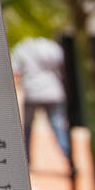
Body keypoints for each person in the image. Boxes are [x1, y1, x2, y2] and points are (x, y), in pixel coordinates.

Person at [12, 35, 72, 165]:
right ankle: (68, 157)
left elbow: (16, 72)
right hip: (54, 92)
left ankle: (26, 160)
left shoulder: (22, 48)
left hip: (32, 93)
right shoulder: (52, 47)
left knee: (27, 128)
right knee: (59, 126)